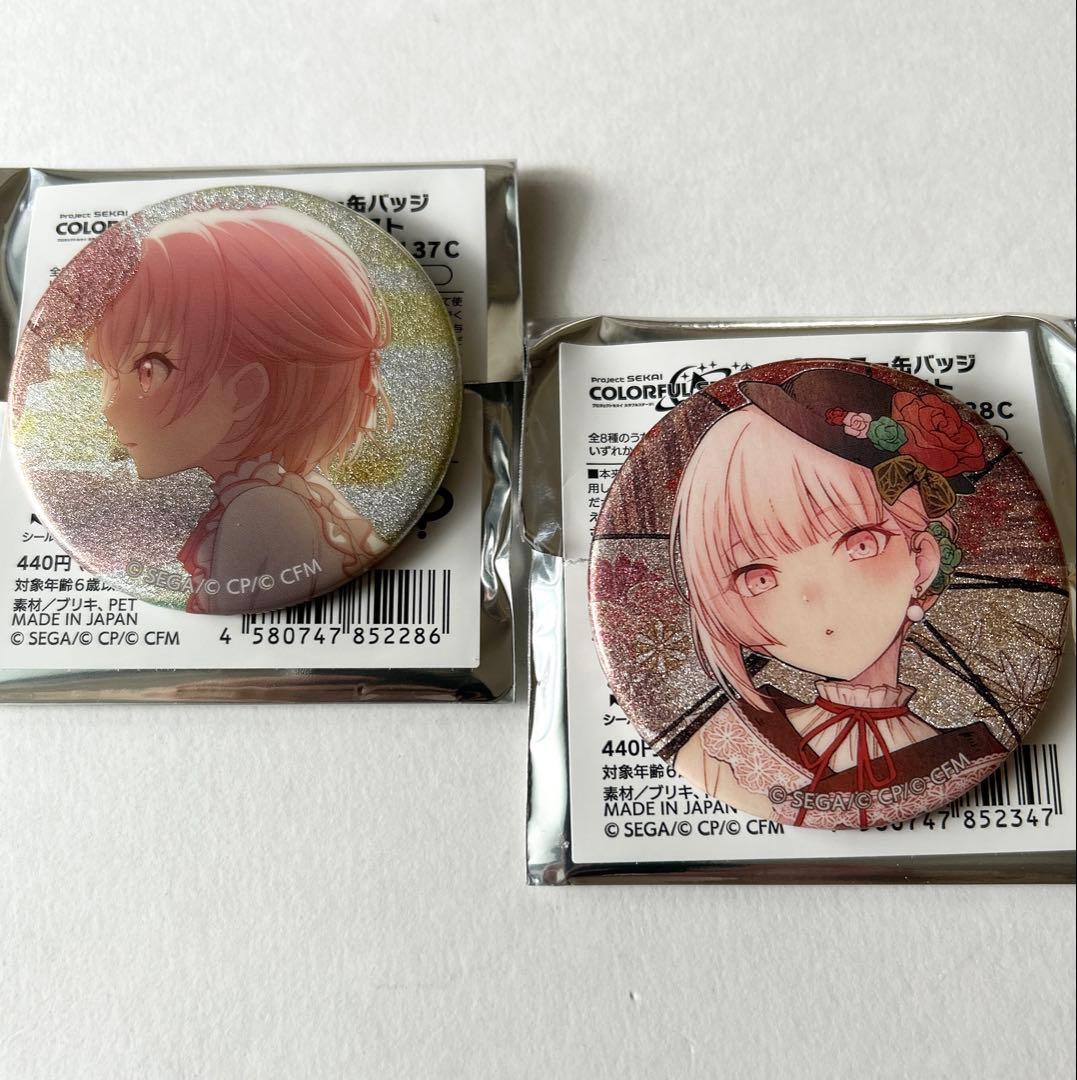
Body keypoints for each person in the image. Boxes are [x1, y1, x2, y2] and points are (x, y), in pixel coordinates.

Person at [670, 366, 1008, 828]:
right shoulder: (727, 749)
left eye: (860, 545)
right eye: (758, 578)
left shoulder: (972, 759)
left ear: (923, 561)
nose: (811, 598)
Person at [86, 206, 391, 613]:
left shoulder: (260, 511)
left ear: (245, 391)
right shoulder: (295, 490)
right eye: (108, 373)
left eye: (147, 372)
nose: (108, 407)